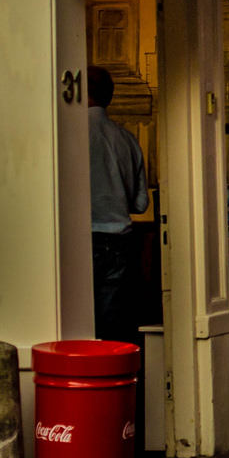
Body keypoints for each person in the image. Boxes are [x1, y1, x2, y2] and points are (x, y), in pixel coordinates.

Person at [88, 66, 150, 346]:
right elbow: (139, 203)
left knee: (76, 326)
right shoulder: (127, 139)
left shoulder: (65, 137)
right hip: (120, 242)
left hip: (81, 240)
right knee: (112, 326)